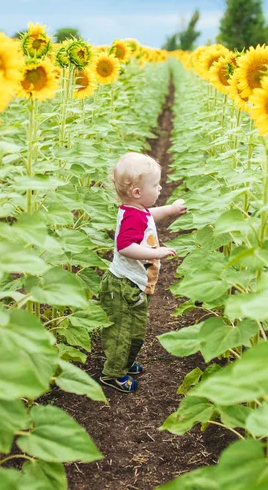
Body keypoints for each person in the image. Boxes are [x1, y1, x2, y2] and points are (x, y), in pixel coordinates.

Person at [99, 152, 187, 393]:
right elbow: (125, 246)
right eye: (156, 185)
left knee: (136, 328)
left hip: (135, 284)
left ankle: (125, 362)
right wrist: (156, 252)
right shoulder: (130, 217)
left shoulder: (137, 210)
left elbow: (150, 216)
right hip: (123, 286)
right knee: (122, 332)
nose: (160, 188)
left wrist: (170, 209)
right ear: (137, 192)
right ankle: (113, 374)